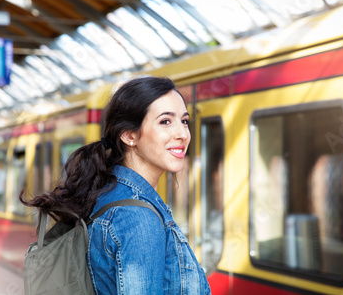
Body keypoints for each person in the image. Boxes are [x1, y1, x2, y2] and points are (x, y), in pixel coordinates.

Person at [21, 76, 211, 295]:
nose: (182, 134)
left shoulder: (109, 193)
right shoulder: (137, 216)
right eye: (165, 122)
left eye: (184, 121)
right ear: (129, 135)